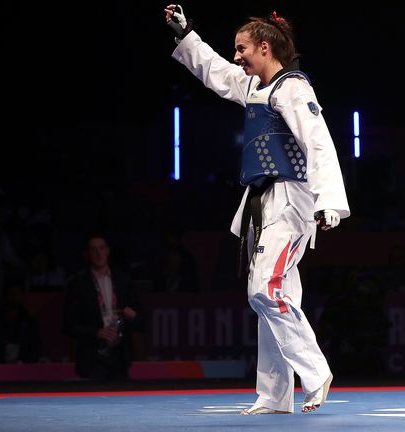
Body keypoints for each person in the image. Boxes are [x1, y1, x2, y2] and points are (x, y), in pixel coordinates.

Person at [164, 5, 350, 415]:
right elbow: (214, 71)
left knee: (264, 290)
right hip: (260, 202)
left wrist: (329, 200)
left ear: (265, 47)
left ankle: (316, 372)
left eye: (242, 49)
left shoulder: (293, 87)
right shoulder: (254, 87)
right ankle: (273, 394)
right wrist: (186, 35)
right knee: (278, 294)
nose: (237, 57)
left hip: (291, 201)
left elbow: (318, 140)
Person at [61, 233, 142, 381]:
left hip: (119, 357)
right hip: (92, 357)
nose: (98, 253)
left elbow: (140, 320)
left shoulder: (124, 281)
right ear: (86, 254)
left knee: (121, 401)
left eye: (101, 248)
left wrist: (133, 316)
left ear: (108, 251)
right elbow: (68, 325)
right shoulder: (78, 284)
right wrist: (96, 332)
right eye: (93, 249)